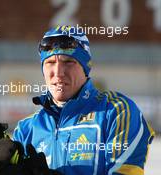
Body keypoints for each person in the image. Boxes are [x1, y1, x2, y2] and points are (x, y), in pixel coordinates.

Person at [12, 25, 155, 175]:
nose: (58, 73)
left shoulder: (117, 111)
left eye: (68, 62)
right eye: (50, 63)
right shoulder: (27, 128)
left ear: (85, 68)